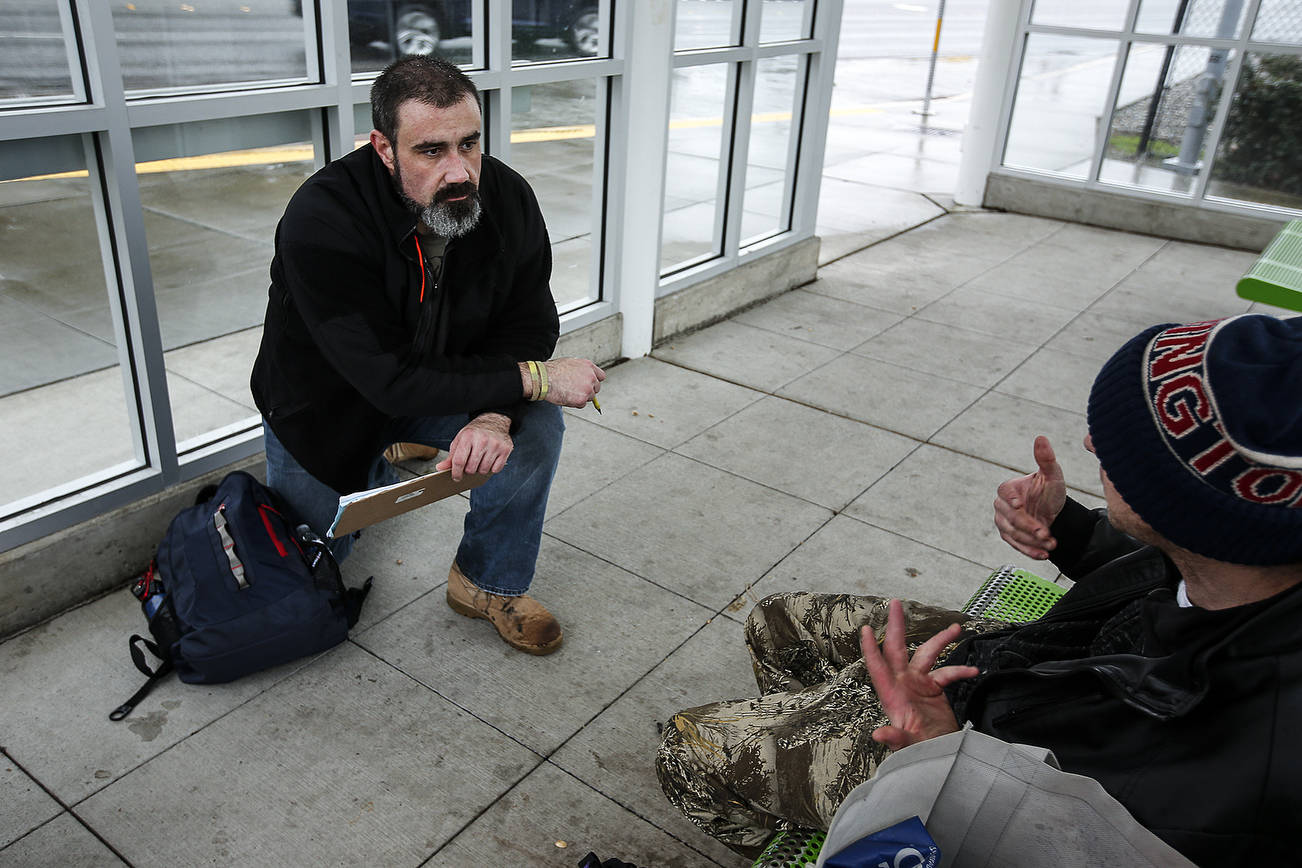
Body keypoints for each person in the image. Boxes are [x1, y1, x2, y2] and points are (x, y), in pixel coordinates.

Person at [656, 313, 1302, 865]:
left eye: (1126, 453)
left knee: (687, 748)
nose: (1090, 441)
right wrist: (1071, 530)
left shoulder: (1237, 775)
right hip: (1023, 671)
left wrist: (942, 766)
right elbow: (1177, 565)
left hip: (994, 775)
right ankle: (817, 759)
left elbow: (1052, 840)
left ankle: (824, 810)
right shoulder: (1255, 559)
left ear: (1195, 511)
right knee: (775, 620)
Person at [251, 56, 605, 655]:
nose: (459, 169)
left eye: (470, 143)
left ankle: (486, 583)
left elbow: (528, 320)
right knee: (315, 568)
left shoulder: (507, 196)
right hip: (325, 406)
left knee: (537, 424)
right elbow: (388, 378)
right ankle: (381, 456)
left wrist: (493, 414)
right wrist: (537, 377)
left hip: (436, 382)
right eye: (431, 150)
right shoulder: (323, 219)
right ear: (384, 149)